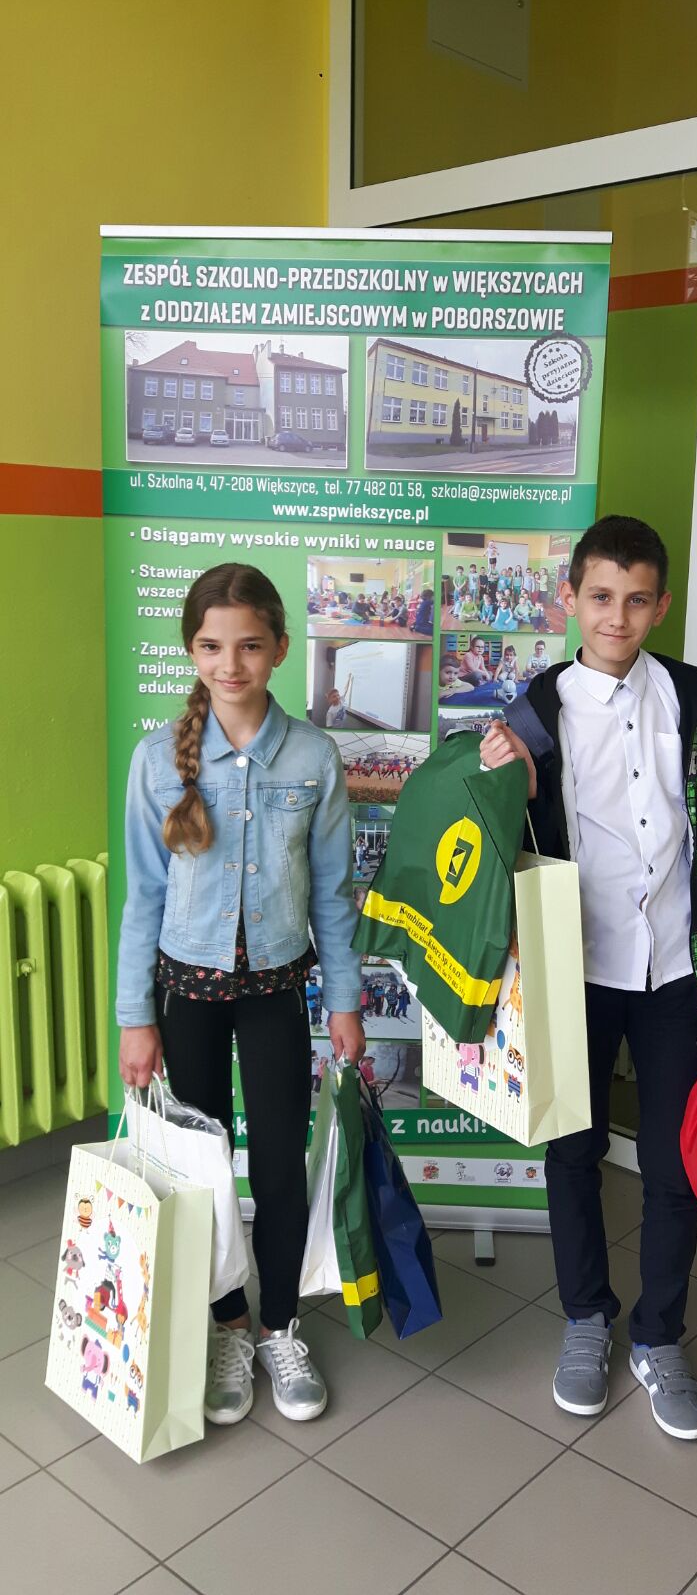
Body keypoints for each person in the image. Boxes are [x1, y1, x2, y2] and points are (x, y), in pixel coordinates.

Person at [480, 517, 697, 1443]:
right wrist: (502, 779)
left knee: (673, 1163)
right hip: (574, 968)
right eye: (598, 597)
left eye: (634, 599)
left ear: (659, 604)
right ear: (568, 600)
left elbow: (692, 814)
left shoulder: (690, 699)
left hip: (673, 966)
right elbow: (504, 831)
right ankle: (586, 1317)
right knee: (572, 1151)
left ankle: (659, 1336)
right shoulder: (532, 713)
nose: (615, 617)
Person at [117, 562, 364, 1430]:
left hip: (275, 994)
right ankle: (226, 1326)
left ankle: (277, 1326)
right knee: (201, 1169)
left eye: (250, 646)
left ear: (280, 649)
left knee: (281, 1165)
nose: (231, 665)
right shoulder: (157, 760)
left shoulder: (313, 757)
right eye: (212, 646)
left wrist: (344, 1001)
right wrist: (135, 1017)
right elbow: (143, 898)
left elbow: (333, 893)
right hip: (184, 994)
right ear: (192, 651)